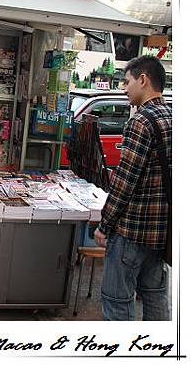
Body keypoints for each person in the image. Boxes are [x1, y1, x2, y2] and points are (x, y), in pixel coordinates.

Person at [94, 55, 171, 321]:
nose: (124, 89)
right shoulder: (174, 118)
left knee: (117, 301)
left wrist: (104, 225)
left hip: (133, 230)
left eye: (127, 82)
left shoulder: (141, 122)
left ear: (143, 80)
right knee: (156, 296)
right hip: (162, 232)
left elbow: (124, 182)